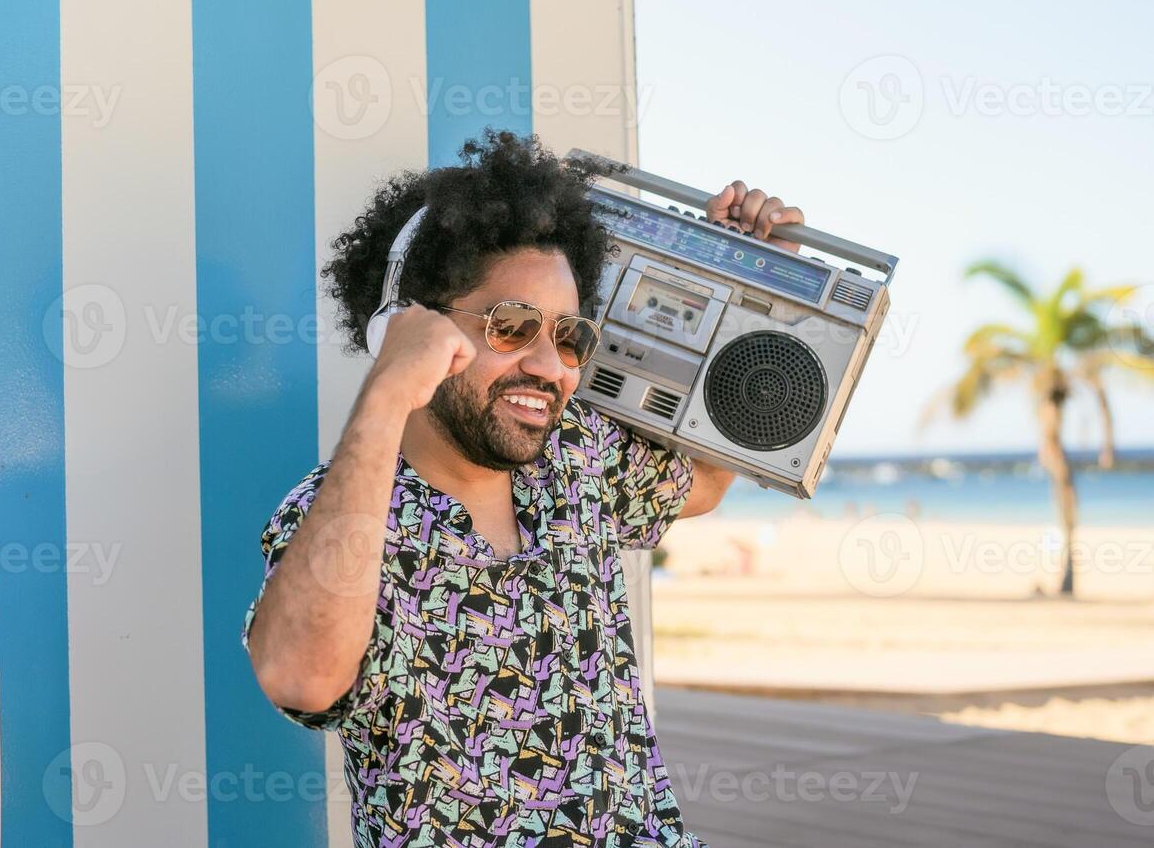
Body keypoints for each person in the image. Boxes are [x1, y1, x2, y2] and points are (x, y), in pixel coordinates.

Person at [242, 129, 807, 847]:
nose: (553, 366)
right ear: (406, 327)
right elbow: (300, 678)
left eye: (569, 337)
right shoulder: (341, 514)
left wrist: (749, 286)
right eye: (512, 327)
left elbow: (704, 482)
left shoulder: (577, 461)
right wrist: (386, 394)